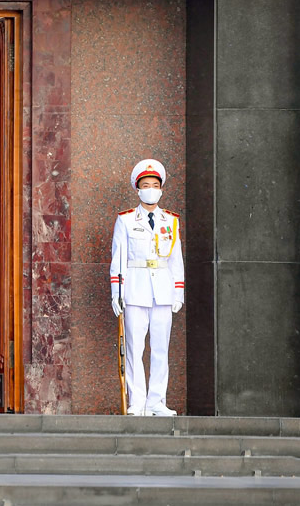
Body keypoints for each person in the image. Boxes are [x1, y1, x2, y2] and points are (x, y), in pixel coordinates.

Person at [109, 159, 184, 416]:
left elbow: (176, 259)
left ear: (161, 189)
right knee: (134, 349)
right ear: (137, 190)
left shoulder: (171, 221)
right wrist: (116, 293)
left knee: (161, 348)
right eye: (145, 185)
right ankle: (137, 402)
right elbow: (118, 259)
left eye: (155, 185)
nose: (150, 189)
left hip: (163, 291)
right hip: (135, 290)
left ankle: (156, 402)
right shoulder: (126, 220)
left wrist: (178, 292)